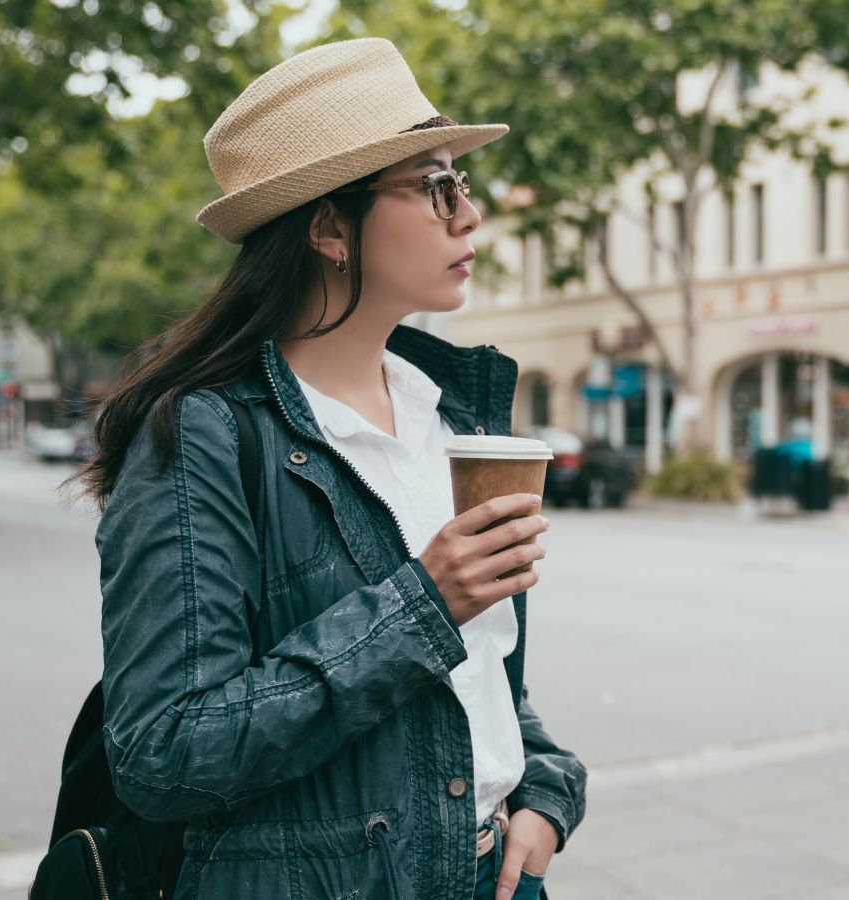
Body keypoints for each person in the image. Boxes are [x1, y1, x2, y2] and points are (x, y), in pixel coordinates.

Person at [68, 38, 586, 900]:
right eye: (435, 186)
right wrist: (425, 603)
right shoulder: (202, 434)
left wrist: (542, 787)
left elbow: (480, 677)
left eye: (461, 182)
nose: (469, 215)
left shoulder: (449, 412)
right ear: (325, 226)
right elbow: (165, 753)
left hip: (495, 875)